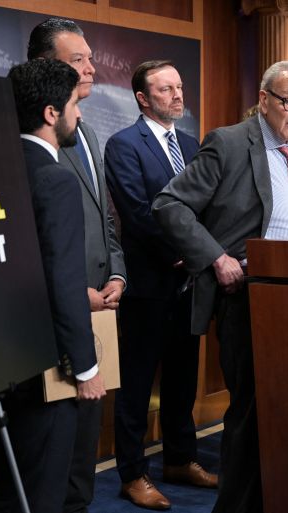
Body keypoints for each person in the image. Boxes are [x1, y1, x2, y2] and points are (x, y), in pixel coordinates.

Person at [152, 60, 288, 513]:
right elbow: (169, 205)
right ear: (264, 100)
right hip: (253, 301)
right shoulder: (229, 143)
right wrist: (216, 258)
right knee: (252, 416)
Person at [0, 58, 107, 513]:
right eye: (75, 104)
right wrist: (86, 367)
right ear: (52, 113)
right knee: (43, 487)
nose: (79, 114)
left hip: (2, 356)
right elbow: (62, 279)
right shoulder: (54, 178)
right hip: (46, 363)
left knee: (12, 479)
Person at [104, 60, 214, 510]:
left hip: (189, 284)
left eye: (180, 86)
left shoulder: (192, 144)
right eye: (165, 89)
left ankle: (180, 458)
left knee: (182, 379)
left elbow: (207, 207)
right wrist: (185, 252)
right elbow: (137, 212)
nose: (177, 95)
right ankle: (132, 474)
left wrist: (199, 254)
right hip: (148, 283)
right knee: (135, 384)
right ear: (143, 98)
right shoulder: (124, 144)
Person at [26, 18, 126, 513]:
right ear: (46, 67)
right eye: (77, 60)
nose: (91, 68)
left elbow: (106, 217)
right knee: (50, 454)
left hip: (100, 306)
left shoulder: (83, 129)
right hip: (55, 317)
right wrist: (74, 292)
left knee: (83, 446)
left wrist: (117, 273)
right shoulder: (33, 135)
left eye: (90, 57)